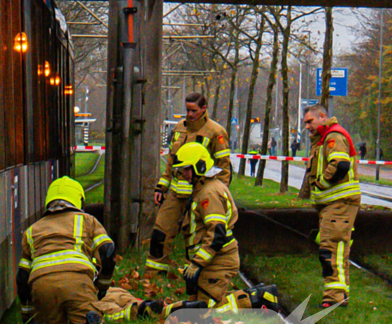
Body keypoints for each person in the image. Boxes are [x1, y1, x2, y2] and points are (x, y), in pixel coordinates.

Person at [174, 143, 280, 312]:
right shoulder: (203, 189)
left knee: (205, 311)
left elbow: (216, 233)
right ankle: (254, 296)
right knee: (195, 308)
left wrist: (197, 263)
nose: (183, 174)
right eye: (181, 170)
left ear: (199, 166)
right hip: (212, 261)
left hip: (218, 261)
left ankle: (259, 299)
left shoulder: (209, 193)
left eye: (186, 169)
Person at [16, 176, 118, 324]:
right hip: (77, 282)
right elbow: (108, 252)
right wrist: (102, 288)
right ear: (79, 201)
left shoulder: (31, 231)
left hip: (43, 287)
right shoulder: (88, 221)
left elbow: (22, 277)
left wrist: (27, 315)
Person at [147, 93, 231, 277]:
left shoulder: (216, 132)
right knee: (160, 232)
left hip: (200, 194)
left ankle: (193, 278)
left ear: (204, 108)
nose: (190, 114)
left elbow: (223, 168)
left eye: (194, 110)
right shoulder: (179, 129)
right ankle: (153, 275)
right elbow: (171, 163)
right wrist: (162, 187)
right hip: (176, 194)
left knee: (195, 238)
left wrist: (220, 196)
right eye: (187, 110)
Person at [300, 104, 359, 308]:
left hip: (339, 203)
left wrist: (321, 183)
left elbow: (340, 165)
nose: (307, 126)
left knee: (332, 250)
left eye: (310, 121)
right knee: (333, 249)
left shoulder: (333, 137)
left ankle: (335, 297)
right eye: (305, 122)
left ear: (322, 116)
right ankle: (337, 295)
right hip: (332, 205)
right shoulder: (324, 139)